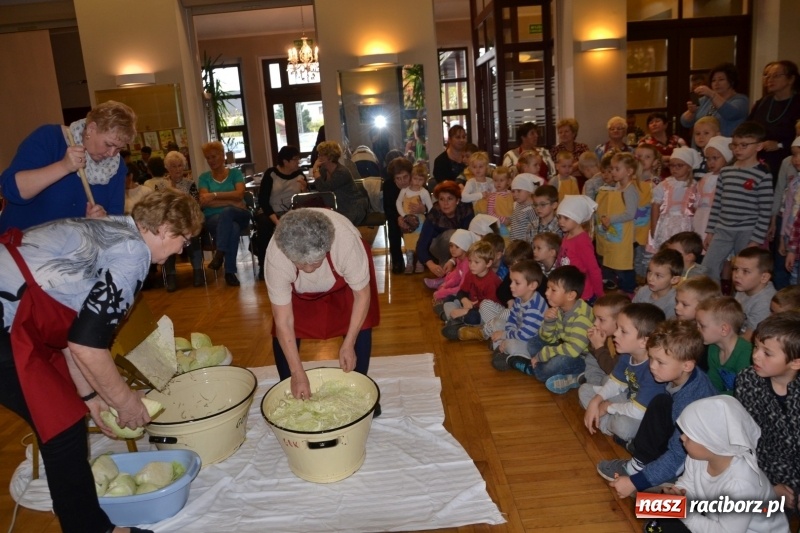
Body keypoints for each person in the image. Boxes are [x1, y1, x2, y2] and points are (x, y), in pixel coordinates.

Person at [0, 189, 203, 533]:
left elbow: (72, 333)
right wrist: (124, 402)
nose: (182, 250)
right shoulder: (133, 254)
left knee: (65, 423)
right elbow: (87, 345)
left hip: (17, 315)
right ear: (167, 229)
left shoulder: (115, 229)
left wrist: (93, 400)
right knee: (62, 428)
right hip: (8, 321)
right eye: (184, 241)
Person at [265, 208, 381, 401]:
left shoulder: (345, 243)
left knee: (362, 325)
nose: (309, 269)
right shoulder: (277, 257)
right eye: (301, 264)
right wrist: (297, 372)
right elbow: (283, 321)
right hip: (298, 290)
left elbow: (361, 297)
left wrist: (348, 343)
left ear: (327, 247)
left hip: (344, 280)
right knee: (281, 331)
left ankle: (361, 389)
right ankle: (289, 384)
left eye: (316, 262)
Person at [597, 319, 717, 498]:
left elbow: (679, 455)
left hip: (695, 460)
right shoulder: (680, 375)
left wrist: (635, 482)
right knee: (661, 402)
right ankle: (643, 463)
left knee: (660, 403)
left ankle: (659, 477)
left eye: (660, 362)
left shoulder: (692, 403)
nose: (652, 366)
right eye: (651, 358)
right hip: (678, 442)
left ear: (687, 365)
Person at [645, 396, 789, 533]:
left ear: (712, 443)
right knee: (653, 510)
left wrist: (683, 511)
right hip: (715, 518)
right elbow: (688, 483)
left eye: (689, 436)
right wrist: (677, 492)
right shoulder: (698, 457)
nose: (682, 438)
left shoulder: (740, 484)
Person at [0, 100, 136, 233]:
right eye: (109, 144)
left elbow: (115, 218)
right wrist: (63, 167)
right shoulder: (51, 138)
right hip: (21, 246)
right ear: (91, 128)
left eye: (119, 148)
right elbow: (11, 190)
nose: (112, 154)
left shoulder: (117, 166)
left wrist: (102, 221)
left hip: (72, 251)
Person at [735, 311, 800, 514]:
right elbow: (746, 439)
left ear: (795, 362)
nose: (755, 355)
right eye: (756, 347)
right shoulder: (748, 380)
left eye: (767, 353)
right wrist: (768, 485)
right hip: (762, 471)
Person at [581, 303, 667, 442]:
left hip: (642, 413)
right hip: (628, 399)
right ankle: (606, 422)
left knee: (622, 426)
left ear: (644, 342)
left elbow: (638, 411)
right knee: (585, 390)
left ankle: (607, 422)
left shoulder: (653, 369)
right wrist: (596, 401)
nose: (615, 334)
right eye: (617, 328)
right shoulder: (627, 354)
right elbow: (615, 382)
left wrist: (608, 407)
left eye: (623, 331)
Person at [703, 121, 773, 282]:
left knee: (745, 271)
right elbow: (717, 204)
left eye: (744, 145)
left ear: (759, 146)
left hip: (747, 231)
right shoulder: (726, 171)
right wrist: (710, 231)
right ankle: (711, 303)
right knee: (707, 268)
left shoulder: (763, 175)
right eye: (734, 145)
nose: (737, 149)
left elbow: (765, 212)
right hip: (722, 229)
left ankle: (743, 304)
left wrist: (755, 240)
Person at [501, 266, 594, 386]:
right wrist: (549, 322)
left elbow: (573, 350)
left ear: (570, 295)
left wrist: (543, 354)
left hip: (580, 357)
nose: (546, 293)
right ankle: (541, 366)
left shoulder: (581, 318)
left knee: (552, 366)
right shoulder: (560, 308)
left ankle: (575, 376)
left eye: (553, 290)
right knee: (533, 343)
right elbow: (548, 338)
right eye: (547, 288)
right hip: (564, 347)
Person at [197, 140, 251, 287]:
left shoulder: (235, 173)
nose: (211, 161)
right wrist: (231, 200)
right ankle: (229, 272)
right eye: (208, 158)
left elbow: (240, 195)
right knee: (232, 227)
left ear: (222, 155)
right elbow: (204, 201)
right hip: (213, 218)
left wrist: (214, 196)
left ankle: (220, 253)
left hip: (240, 215)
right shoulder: (204, 178)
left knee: (228, 213)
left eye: (213, 156)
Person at [254, 145, 308, 280]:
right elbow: (263, 201)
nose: (298, 162)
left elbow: (304, 199)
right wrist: (277, 221)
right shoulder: (271, 174)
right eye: (295, 159)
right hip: (270, 211)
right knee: (265, 225)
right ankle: (263, 265)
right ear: (285, 161)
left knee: (301, 223)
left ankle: (298, 262)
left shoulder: (300, 175)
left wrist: (304, 189)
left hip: (290, 211)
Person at [748, 60, 800, 183]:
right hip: (759, 158)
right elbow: (748, 127)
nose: (770, 79)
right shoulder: (763, 102)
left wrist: (779, 145)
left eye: (776, 75)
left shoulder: (798, 103)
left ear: (791, 79)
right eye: (768, 76)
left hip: (788, 160)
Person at [483, 259, 547, 355]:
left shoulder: (535, 307)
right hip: (518, 333)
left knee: (511, 345)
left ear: (532, 285)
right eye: (511, 281)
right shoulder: (520, 297)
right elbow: (512, 318)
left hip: (530, 341)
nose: (511, 286)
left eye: (517, 283)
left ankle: (504, 350)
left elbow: (525, 336)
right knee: (498, 323)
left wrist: (504, 335)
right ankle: (501, 349)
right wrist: (507, 333)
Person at [596, 152, 639, 295]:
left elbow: (630, 214)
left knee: (624, 264)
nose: (613, 172)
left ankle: (629, 289)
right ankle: (620, 285)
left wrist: (611, 219)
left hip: (624, 234)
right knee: (614, 259)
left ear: (629, 171)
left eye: (616, 169)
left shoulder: (629, 190)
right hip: (615, 232)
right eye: (612, 169)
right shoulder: (618, 188)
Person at [440, 240, 501, 339]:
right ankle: (456, 321)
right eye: (470, 261)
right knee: (449, 298)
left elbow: (488, 308)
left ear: (488, 263)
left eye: (476, 262)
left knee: (472, 317)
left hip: (481, 312)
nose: (471, 265)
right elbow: (461, 291)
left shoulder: (492, 281)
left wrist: (467, 310)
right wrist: (464, 300)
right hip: (470, 305)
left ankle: (453, 319)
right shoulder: (471, 274)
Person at [162, 150, 204, 291]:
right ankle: (171, 276)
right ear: (167, 168)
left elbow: (195, 204)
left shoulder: (190, 183)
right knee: (165, 236)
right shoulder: (162, 185)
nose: (178, 169)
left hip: (187, 220)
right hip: (169, 222)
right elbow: (160, 207)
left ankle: (198, 272)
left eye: (180, 165)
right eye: (174, 166)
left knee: (193, 234)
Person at [417, 181, 475, 278]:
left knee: (457, 236)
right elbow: (421, 245)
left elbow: (468, 238)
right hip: (437, 248)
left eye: (450, 199)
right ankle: (445, 275)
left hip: (463, 249)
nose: (445, 203)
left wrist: (452, 260)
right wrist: (431, 265)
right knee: (451, 236)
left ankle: (457, 275)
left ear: (457, 200)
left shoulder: (465, 210)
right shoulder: (435, 213)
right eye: (441, 199)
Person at [647, 147, 698, 254]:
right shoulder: (664, 185)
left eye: (679, 165)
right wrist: (654, 227)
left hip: (685, 226)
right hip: (666, 225)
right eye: (672, 165)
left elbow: (696, 208)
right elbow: (655, 207)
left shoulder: (695, 186)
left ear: (689, 167)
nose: (675, 169)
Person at [696, 296, 751, 395]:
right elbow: (713, 382)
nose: (697, 330)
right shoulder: (713, 348)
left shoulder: (745, 353)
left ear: (724, 330)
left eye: (702, 326)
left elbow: (745, 392)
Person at [680, 62, 750, 138]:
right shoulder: (705, 100)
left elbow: (730, 113)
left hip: (724, 147)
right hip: (701, 147)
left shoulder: (741, 100)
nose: (716, 83)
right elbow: (685, 122)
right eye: (713, 80)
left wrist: (712, 94)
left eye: (721, 79)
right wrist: (691, 112)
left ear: (731, 81)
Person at [555, 195, 604, 302]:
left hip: (582, 295)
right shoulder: (567, 235)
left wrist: (600, 295)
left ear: (578, 217)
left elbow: (593, 270)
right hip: (568, 291)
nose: (561, 221)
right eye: (559, 217)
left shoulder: (582, 241)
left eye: (566, 218)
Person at [579, 293, 631, 387]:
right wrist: (593, 343)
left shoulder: (626, 344)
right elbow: (597, 356)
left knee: (606, 379)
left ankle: (598, 390)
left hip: (618, 376)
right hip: (605, 367)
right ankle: (595, 387)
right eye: (595, 318)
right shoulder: (608, 334)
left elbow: (613, 370)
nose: (595, 323)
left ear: (619, 321)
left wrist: (599, 346)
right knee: (590, 358)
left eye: (601, 319)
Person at [312, 141, 368, 226]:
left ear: (330, 157)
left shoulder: (342, 172)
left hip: (351, 206)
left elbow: (324, 189)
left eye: (321, 155)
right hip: (337, 206)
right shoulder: (323, 170)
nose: (318, 157)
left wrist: (315, 170)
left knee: (334, 224)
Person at [733, 247, 777, 342]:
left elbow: (749, 339)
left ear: (764, 277)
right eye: (736, 269)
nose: (737, 275)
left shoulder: (765, 302)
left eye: (746, 271)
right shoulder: (744, 286)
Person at [397, 163, 434, 273]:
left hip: (420, 222)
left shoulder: (424, 192)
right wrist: (404, 215)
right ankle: (409, 264)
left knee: (419, 242)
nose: (417, 182)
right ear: (411, 178)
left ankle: (419, 262)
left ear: (424, 181)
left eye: (421, 179)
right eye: (415, 178)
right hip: (407, 222)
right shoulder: (404, 191)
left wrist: (424, 210)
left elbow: (431, 207)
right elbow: (398, 202)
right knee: (408, 243)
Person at [694, 136, 732, 237]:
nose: (711, 162)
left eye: (715, 158)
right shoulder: (704, 178)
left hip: (717, 219)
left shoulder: (727, 179)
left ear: (727, 158)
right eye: (708, 158)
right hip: (700, 218)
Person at [633, 248, 683, 319]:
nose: (650, 278)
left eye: (658, 275)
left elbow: (667, 328)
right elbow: (630, 313)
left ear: (674, 280)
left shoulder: (674, 302)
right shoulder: (643, 291)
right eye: (649, 272)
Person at [638, 112, 687, 179]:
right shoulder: (644, 142)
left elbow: (686, 157)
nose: (654, 124)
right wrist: (668, 158)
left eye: (657, 121)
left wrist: (666, 159)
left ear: (665, 124)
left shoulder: (677, 140)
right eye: (651, 123)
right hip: (653, 177)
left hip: (678, 176)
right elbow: (641, 161)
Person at [549, 118, 589, 185]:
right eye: (560, 132)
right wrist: (578, 165)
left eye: (566, 131)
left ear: (573, 133)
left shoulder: (583, 147)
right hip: (563, 182)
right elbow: (556, 171)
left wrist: (570, 168)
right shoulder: (555, 150)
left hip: (583, 182)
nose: (563, 134)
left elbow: (588, 167)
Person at [508, 173, 538, 241]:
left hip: (524, 245)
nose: (515, 194)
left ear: (529, 191)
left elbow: (535, 228)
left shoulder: (531, 209)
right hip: (514, 243)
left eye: (519, 191)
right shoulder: (517, 205)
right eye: (513, 191)